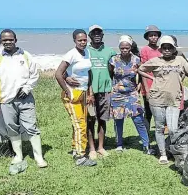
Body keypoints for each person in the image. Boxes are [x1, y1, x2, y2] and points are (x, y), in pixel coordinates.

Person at [138, 35, 188, 164]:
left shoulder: (180, 61)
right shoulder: (155, 61)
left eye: (169, 47)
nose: (166, 50)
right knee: (159, 127)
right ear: (160, 49)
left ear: (173, 49)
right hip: (157, 99)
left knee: (172, 128)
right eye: (164, 47)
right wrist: (152, 79)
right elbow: (140, 69)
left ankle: (172, 149)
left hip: (174, 99)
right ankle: (163, 154)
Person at [0, 29, 47, 175]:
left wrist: (27, 88)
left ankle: (39, 157)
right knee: (11, 128)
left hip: (25, 98)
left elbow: (34, 75)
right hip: (6, 99)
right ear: (1, 41)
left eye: (10, 39)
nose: (8, 42)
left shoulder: (25, 56)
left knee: (31, 126)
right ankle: (18, 155)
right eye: (5, 40)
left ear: (15, 39)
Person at [65, 25, 116, 156]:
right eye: (94, 33)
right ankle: (92, 148)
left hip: (105, 90)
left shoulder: (110, 51)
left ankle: (101, 147)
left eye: (99, 32)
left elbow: (117, 70)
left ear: (103, 35)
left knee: (102, 119)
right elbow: (67, 68)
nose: (97, 34)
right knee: (89, 120)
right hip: (88, 92)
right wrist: (67, 78)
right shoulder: (84, 50)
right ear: (90, 36)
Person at [55, 29, 97, 166]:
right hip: (73, 94)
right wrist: (67, 90)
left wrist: (90, 92)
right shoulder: (71, 54)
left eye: (85, 40)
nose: (83, 42)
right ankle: (80, 157)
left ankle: (75, 149)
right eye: (80, 40)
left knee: (80, 123)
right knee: (80, 125)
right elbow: (58, 74)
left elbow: (88, 73)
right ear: (74, 40)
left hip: (84, 93)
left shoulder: (87, 52)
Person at [109, 35, 151, 154]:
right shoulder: (113, 60)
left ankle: (146, 145)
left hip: (132, 93)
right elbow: (110, 74)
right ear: (119, 48)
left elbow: (142, 73)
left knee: (138, 118)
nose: (124, 50)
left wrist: (140, 85)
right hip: (117, 93)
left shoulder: (136, 60)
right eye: (122, 48)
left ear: (130, 47)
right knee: (118, 119)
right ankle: (119, 144)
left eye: (127, 48)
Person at [139, 25, 162, 130]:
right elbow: (142, 70)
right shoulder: (144, 50)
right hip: (148, 86)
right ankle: (146, 138)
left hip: (161, 86)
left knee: (161, 113)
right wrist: (146, 90)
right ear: (147, 37)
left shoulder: (161, 50)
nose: (153, 37)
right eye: (151, 35)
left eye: (155, 35)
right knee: (148, 112)